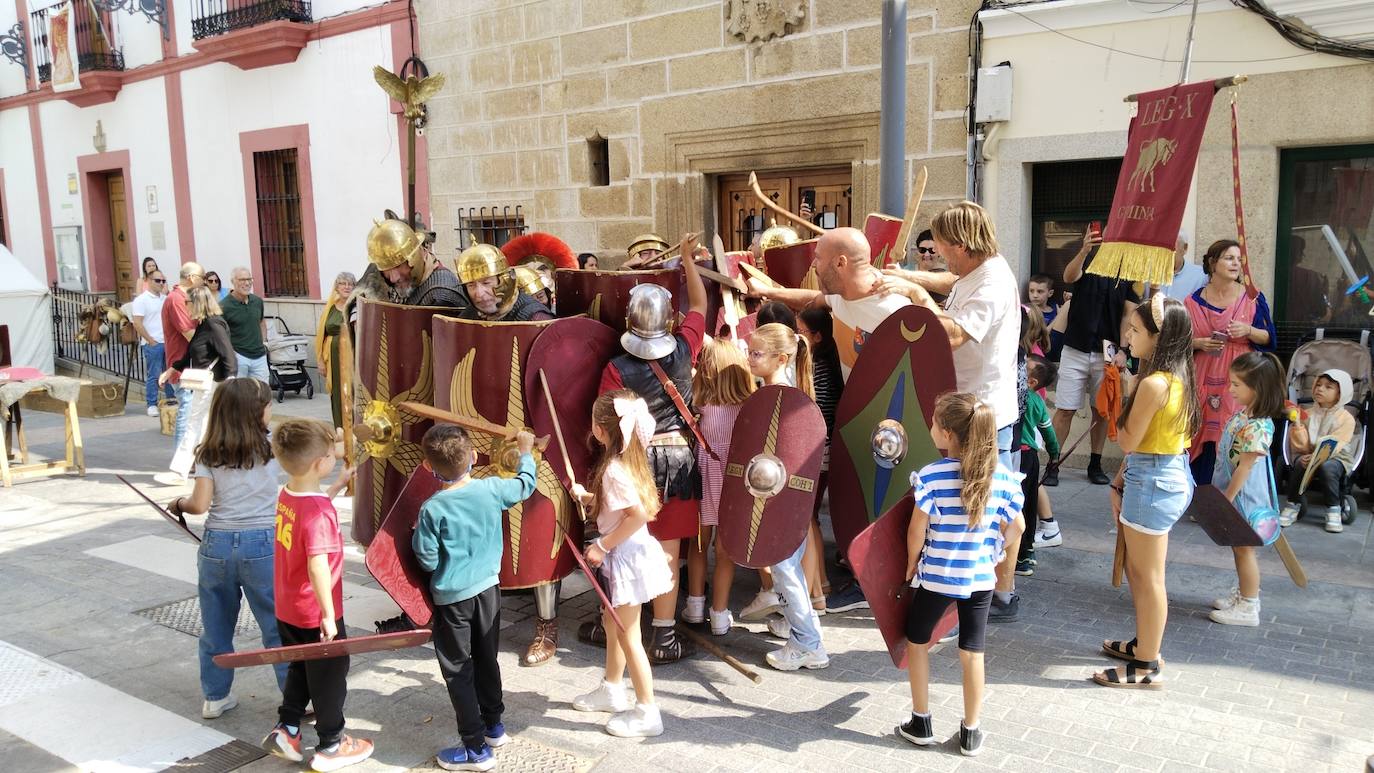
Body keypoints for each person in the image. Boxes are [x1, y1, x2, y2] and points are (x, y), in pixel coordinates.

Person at [747, 226, 910, 614]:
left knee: (885, 509)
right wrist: (768, 290)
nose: (814, 265)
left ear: (840, 262)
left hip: (892, 430)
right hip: (858, 424)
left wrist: (919, 291)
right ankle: (863, 578)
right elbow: (812, 298)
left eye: (818, 259)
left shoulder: (892, 306)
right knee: (858, 508)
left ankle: (888, 590)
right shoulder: (843, 299)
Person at [591, 233, 708, 663]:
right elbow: (700, 306)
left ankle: (622, 624)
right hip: (678, 458)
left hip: (634, 463)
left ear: (629, 321)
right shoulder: (684, 348)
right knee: (668, 549)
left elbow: (609, 422)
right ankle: (664, 635)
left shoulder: (615, 368)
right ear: (669, 320)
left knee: (627, 543)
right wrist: (687, 261)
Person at [896, 392, 1024, 757]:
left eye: (934, 422)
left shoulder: (932, 476)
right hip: (980, 579)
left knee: (918, 642)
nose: (931, 426)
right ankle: (971, 731)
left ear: (949, 434)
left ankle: (921, 721)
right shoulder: (1002, 477)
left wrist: (910, 564)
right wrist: (995, 551)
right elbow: (1017, 527)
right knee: (972, 651)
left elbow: (916, 530)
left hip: (936, 576)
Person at [413, 424, 536, 770]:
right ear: (474, 456)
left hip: (453, 600)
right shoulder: (491, 489)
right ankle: (494, 726)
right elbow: (525, 484)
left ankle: (474, 748)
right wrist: (526, 452)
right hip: (488, 591)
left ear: (428, 466)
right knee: (486, 658)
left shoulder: (432, 509)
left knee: (458, 671)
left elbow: (427, 559)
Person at [166, 378, 287, 719]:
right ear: (256, 412)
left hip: (217, 545)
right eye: (268, 405)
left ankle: (215, 697)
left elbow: (199, 504)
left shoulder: (209, 451)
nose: (271, 410)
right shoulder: (272, 447)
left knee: (216, 627)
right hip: (263, 544)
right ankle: (295, 697)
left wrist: (178, 503)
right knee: (276, 626)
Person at [1095, 294, 1199, 689]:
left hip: (1153, 480)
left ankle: (1146, 666)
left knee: (1148, 576)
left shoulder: (1152, 383)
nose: (1128, 336)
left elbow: (1126, 440)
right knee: (1139, 572)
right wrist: (1120, 479)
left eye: (1136, 330)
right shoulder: (1177, 376)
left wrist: (1125, 390)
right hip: (1161, 472)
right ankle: (1144, 645)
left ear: (1159, 337)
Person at [261, 419, 372, 769]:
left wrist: (336, 485)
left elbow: (309, 518)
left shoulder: (288, 494)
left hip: (288, 607)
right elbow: (317, 565)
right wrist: (327, 615)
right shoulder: (319, 512)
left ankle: (288, 727)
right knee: (330, 674)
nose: (333, 457)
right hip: (314, 610)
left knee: (300, 665)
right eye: (330, 454)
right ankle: (332, 744)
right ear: (318, 463)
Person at [884, 202, 1020, 472]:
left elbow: (953, 336)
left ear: (961, 246)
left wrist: (917, 295)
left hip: (981, 417)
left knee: (989, 495)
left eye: (941, 245)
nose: (938, 253)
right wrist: (907, 276)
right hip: (965, 410)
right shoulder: (979, 266)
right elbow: (953, 281)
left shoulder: (993, 283)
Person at [569, 391, 672, 738]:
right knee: (612, 624)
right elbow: (620, 505)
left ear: (600, 430)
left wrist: (602, 544)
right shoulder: (628, 460)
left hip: (625, 556)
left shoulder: (613, 469)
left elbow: (637, 514)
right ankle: (612, 688)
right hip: (632, 553)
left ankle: (647, 711)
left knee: (630, 636)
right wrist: (589, 498)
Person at [746, 322, 830, 671]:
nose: (750, 359)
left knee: (783, 567)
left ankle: (808, 644)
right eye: (749, 352)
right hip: (779, 497)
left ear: (781, 358)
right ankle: (801, 626)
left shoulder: (782, 396)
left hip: (782, 498)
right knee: (786, 567)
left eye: (756, 353)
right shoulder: (776, 392)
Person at [1051, 227, 1139, 486]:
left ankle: (1095, 463)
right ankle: (1053, 462)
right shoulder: (1087, 259)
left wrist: (1123, 350)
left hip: (1107, 352)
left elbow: (1128, 314)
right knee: (1065, 409)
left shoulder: (1129, 270)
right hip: (1075, 348)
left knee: (1101, 412)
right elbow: (1068, 276)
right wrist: (1084, 250)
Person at [1186, 239, 1276, 484]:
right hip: (1202, 375)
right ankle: (1197, 492)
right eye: (1229, 258)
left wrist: (1248, 330)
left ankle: (1229, 492)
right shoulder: (1192, 301)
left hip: (1239, 376)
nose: (1236, 263)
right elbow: (1179, 341)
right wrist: (1199, 343)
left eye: (1239, 259)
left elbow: (1270, 338)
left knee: (1231, 429)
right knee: (1199, 429)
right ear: (1213, 263)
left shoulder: (1252, 298)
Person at [683, 338, 755, 636]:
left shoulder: (701, 404)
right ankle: (720, 614)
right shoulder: (748, 407)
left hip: (704, 477)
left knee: (698, 545)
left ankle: (694, 605)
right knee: (726, 551)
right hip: (733, 482)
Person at [1209, 352, 1285, 627]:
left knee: (1245, 550)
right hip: (1235, 495)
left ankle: (1249, 606)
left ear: (1257, 388)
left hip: (1245, 499)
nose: (1230, 389)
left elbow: (1245, 468)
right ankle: (1243, 594)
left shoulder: (1258, 425)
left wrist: (1226, 499)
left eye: (1237, 384)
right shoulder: (1244, 416)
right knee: (1239, 549)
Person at [162, 286, 238, 478]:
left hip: (212, 384)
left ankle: (181, 469)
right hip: (208, 383)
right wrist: (172, 369)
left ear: (197, 303)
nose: (185, 306)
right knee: (203, 424)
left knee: (195, 423)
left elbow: (228, 355)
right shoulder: (204, 324)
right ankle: (204, 466)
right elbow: (190, 353)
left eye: (187, 302)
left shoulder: (213, 325)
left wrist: (230, 382)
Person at [798, 306, 841, 609]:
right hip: (823, 450)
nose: (796, 336)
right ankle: (820, 585)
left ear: (817, 336)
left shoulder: (819, 368)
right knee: (810, 516)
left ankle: (818, 589)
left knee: (807, 516)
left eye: (801, 331)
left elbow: (818, 412)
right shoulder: (824, 363)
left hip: (817, 450)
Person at [1282, 369, 1356, 533]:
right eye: (1318, 385)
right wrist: (1298, 424)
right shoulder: (1307, 415)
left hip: (1336, 456)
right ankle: (1293, 503)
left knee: (1327, 467)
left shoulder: (1346, 419)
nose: (1320, 389)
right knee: (1300, 463)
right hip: (1308, 453)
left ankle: (1333, 508)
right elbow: (1301, 446)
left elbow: (1338, 442)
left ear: (1340, 394)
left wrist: (1319, 457)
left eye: (1328, 387)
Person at [1015, 353, 1060, 577]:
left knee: (1017, 506)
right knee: (1029, 504)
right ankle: (1027, 551)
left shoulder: (1016, 396)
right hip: (1031, 458)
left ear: (1031, 382)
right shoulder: (1038, 402)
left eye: (1024, 367)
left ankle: (1020, 556)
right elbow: (1048, 433)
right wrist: (1054, 455)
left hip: (1018, 456)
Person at [162, 261, 205, 455]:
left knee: (194, 412)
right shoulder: (176, 299)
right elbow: (189, 333)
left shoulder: (186, 298)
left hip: (192, 364)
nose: (204, 282)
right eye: (202, 278)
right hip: (183, 365)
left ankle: (192, 456)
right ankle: (182, 458)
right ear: (192, 278)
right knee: (187, 410)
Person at [315, 272, 356, 431]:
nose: (346, 287)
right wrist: (320, 360)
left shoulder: (356, 306)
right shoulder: (330, 308)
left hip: (353, 356)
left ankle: (354, 428)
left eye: (350, 284)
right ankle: (340, 429)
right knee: (337, 393)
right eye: (343, 284)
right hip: (333, 359)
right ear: (337, 287)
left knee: (352, 391)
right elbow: (321, 335)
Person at [130, 269, 174, 417]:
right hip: (153, 343)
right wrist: (150, 340)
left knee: (169, 373)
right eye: (157, 280)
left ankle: (171, 400)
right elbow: (137, 323)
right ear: (148, 281)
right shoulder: (141, 300)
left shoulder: (166, 298)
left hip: (167, 342)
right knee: (154, 374)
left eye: (163, 281)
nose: (161, 283)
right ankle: (151, 404)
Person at [221, 267, 269, 384]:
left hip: (259, 356)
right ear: (233, 281)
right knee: (240, 392)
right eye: (242, 280)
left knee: (262, 391)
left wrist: (264, 342)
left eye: (249, 279)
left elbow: (261, 321)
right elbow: (219, 334)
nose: (247, 283)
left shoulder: (257, 301)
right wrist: (230, 353)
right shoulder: (224, 306)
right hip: (238, 356)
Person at [1160, 230, 1206, 302]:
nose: (1165, 251)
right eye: (1162, 246)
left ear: (1185, 248)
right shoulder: (1148, 275)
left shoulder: (1200, 276)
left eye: (1171, 246)